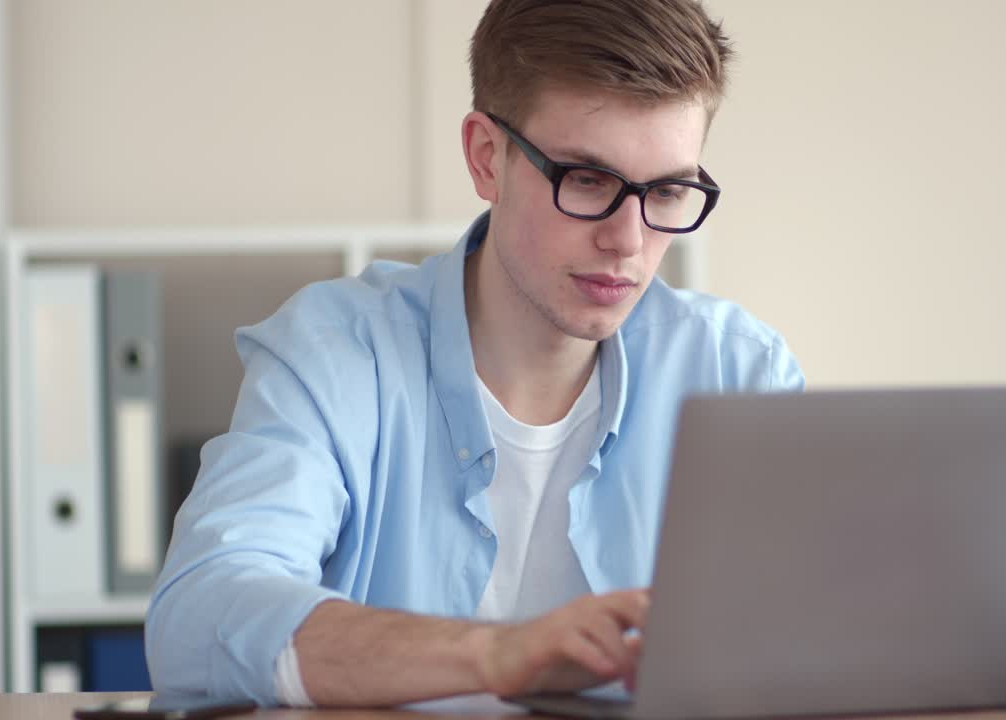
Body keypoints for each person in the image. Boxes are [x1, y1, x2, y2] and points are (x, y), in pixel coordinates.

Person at [145, 0, 803, 708]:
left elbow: (816, 639)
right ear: (488, 158)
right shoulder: (337, 355)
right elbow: (201, 618)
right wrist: (499, 653)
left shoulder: (739, 373)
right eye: (586, 180)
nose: (629, 241)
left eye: (668, 191)